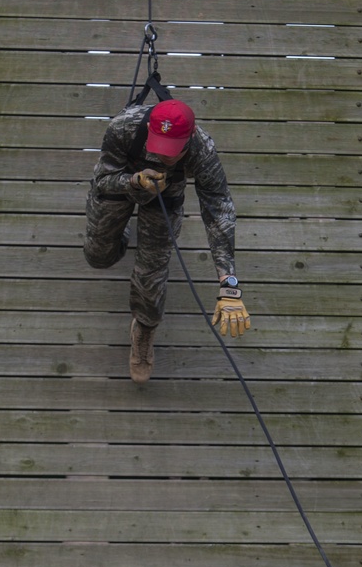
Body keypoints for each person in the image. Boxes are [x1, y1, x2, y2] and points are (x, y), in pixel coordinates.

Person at [83, 97, 250, 383]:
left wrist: (228, 283)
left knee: (153, 270)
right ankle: (121, 231)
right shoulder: (122, 128)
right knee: (99, 257)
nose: (162, 156)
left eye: (171, 152)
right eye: (158, 146)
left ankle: (144, 328)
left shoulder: (202, 149)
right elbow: (102, 180)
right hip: (121, 184)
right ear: (149, 127)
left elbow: (219, 209)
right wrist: (134, 181)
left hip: (167, 196)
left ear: (188, 139)